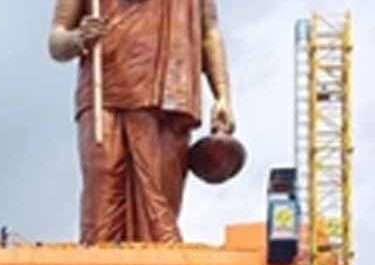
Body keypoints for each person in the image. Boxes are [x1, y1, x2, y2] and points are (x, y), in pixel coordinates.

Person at [49, 0, 235, 243]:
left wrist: (222, 94)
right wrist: (78, 38)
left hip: (167, 103)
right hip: (106, 96)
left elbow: (209, 31)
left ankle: (156, 264)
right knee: (102, 199)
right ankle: (102, 264)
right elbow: (56, 41)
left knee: (160, 204)